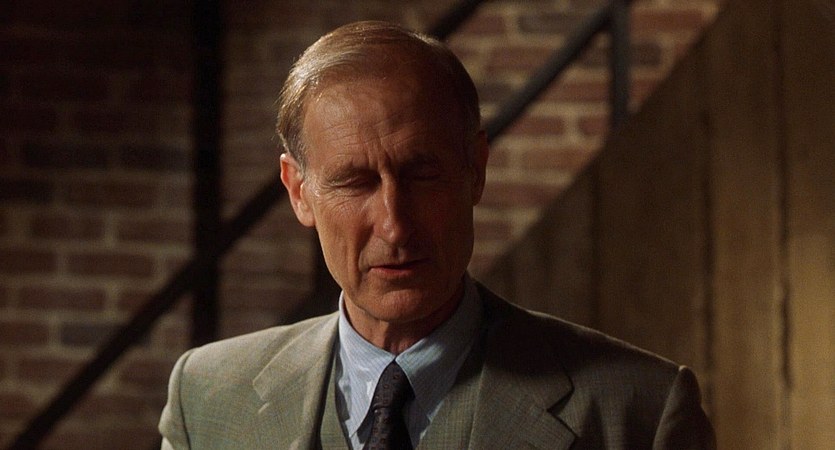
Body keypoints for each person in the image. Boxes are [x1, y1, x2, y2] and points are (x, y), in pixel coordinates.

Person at [158, 21, 715, 449]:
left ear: (476, 169)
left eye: (422, 175)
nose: (395, 225)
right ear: (299, 191)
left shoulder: (637, 412)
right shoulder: (206, 399)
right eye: (355, 183)